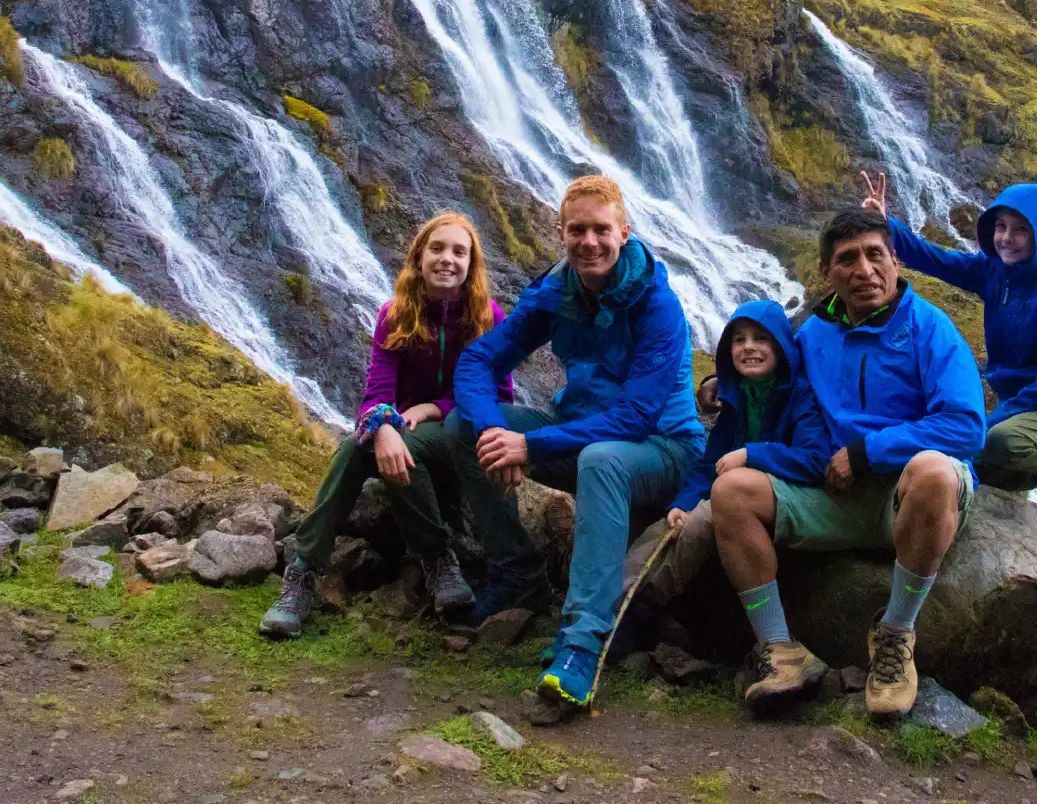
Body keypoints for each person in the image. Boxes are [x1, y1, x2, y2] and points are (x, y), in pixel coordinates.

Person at [710, 209, 987, 719]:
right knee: (731, 492)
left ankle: (895, 636)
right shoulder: (812, 333)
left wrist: (866, 452)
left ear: (895, 260)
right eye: (847, 260)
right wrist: (721, 382)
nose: (864, 269)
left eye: (874, 254)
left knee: (933, 470)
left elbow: (967, 426)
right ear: (826, 274)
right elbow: (768, 364)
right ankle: (781, 651)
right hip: (832, 494)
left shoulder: (931, 328)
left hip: (909, 494)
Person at [450, 175, 702, 711]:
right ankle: (516, 570)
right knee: (462, 427)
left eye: (601, 230)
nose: (589, 242)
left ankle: (583, 645)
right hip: (583, 441)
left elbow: (636, 417)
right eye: (578, 230)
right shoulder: (555, 292)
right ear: (561, 233)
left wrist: (532, 446)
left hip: (665, 449)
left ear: (624, 232)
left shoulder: (659, 304)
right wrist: (494, 428)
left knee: (602, 458)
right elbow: (477, 360)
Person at [260, 211, 514, 639]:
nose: (447, 259)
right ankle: (302, 573)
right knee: (352, 449)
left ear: (471, 265)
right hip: (402, 431)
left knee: (395, 444)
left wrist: (435, 408)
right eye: (437, 248)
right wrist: (381, 428)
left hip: (458, 435)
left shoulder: (489, 318)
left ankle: (437, 557)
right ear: (419, 257)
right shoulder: (396, 314)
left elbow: (501, 398)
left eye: (459, 251)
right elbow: (376, 394)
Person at [861, 173, 1037, 512]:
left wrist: (999, 415)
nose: (1007, 238)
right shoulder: (994, 270)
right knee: (976, 463)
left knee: (999, 440)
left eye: (1021, 230)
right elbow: (935, 259)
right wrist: (885, 224)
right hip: (1022, 401)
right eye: (1001, 227)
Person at [626, 299, 832, 616]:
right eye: (739, 339)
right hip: (736, 490)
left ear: (781, 345)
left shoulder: (801, 395)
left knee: (702, 520)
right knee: (667, 527)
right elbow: (711, 463)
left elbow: (816, 459)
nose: (749, 347)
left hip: (783, 498)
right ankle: (614, 600)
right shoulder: (737, 395)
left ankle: (643, 607)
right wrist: (682, 503)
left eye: (761, 338)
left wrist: (752, 455)